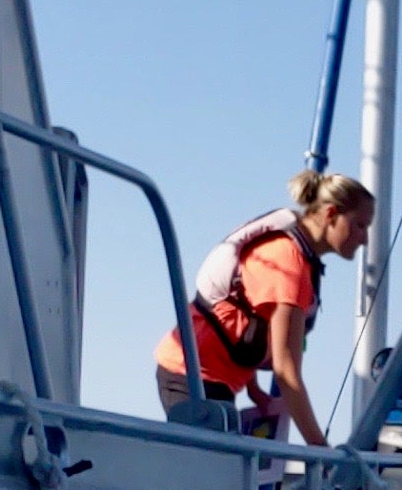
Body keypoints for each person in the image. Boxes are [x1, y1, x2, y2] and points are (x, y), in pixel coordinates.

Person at [156, 171, 374, 445]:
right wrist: (322, 452)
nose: (364, 239)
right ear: (331, 214)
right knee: (213, 474)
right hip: (190, 376)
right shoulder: (288, 263)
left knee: (225, 473)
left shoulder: (297, 258)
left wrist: (254, 389)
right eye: (360, 225)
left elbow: (244, 317)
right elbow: (286, 372)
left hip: (210, 379)